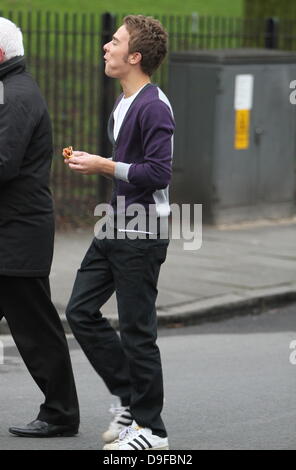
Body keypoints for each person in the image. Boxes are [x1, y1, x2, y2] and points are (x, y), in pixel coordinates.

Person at [64, 15, 175, 450]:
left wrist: (103, 165)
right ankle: (130, 401)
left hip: (142, 231)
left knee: (137, 330)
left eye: (115, 41)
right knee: (80, 312)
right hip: (115, 225)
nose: (106, 47)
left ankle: (152, 431)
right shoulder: (123, 102)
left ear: (135, 56)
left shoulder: (153, 105)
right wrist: (103, 166)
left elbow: (159, 172)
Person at [0, 17, 80, 437]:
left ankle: (61, 413)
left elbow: (3, 163)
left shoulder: (15, 95)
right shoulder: (11, 90)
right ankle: (61, 411)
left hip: (17, 236)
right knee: (37, 329)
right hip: (11, 231)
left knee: (37, 332)